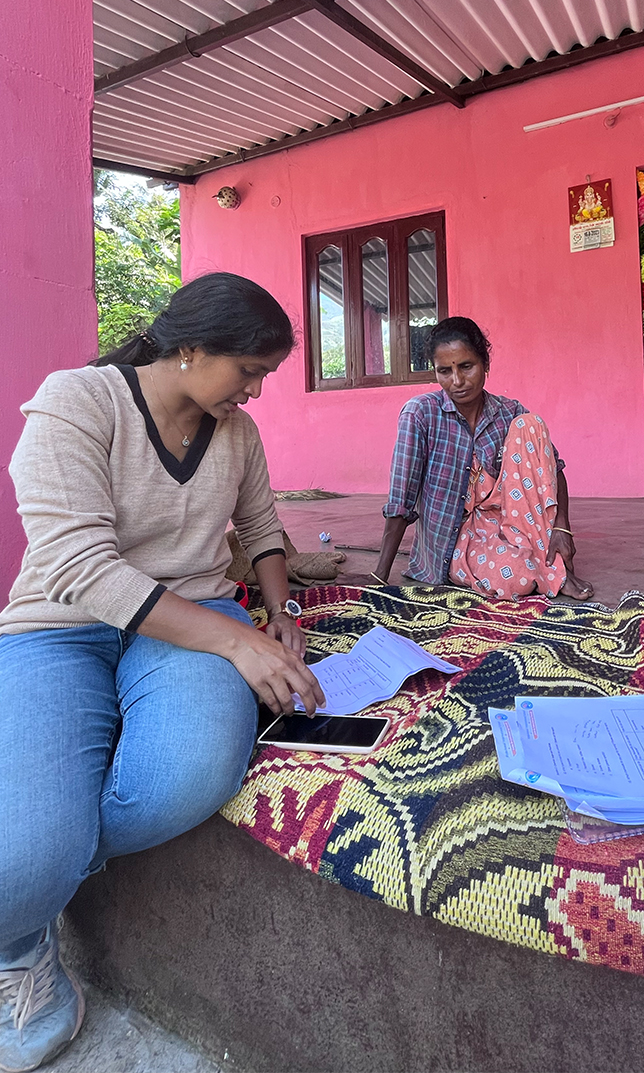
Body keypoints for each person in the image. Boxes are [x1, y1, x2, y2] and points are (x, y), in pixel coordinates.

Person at [0, 273, 327, 1072]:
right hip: (60, 630)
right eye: (248, 371)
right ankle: (21, 941)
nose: (253, 393)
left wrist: (276, 611)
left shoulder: (235, 435)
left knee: (189, 775)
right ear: (187, 349)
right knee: (20, 863)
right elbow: (78, 566)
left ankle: (48, 855)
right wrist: (236, 645)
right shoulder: (77, 403)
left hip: (193, 621)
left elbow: (259, 527)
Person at [373, 317, 593, 600]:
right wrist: (380, 574)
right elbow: (401, 497)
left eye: (466, 366)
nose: (457, 381)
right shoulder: (420, 414)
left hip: (511, 527)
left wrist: (563, 528)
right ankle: (550, 571)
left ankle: (551, 563)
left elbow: (553, 470)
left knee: (531, 424)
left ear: (485, 364)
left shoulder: (509, 412)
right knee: (517, 578)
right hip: (456, 539)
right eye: (444, 371)